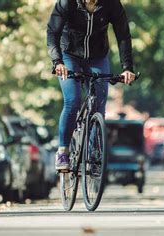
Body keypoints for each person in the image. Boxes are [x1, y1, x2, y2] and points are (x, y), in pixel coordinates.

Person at [47, 0, 136, 170]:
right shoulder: (67, 3)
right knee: (73, 100)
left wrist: (127, 68)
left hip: (97, 57)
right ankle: (63, 151)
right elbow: (53, 32)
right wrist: (57, 61)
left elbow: (123, 35)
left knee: (99, 105)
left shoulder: (111, 4)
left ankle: (92, 153)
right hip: (69, 56)